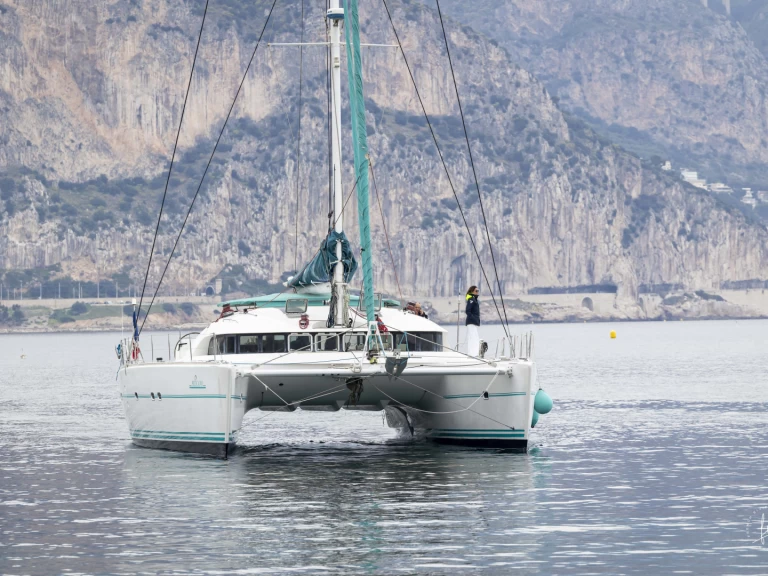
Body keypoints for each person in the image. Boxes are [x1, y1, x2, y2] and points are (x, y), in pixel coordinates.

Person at [465, 285, 480, 356]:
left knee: (475, 337)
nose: (477, 292)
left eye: (478, 291)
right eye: (476, 291)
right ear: (472, 292)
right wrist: (473, 318)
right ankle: (472, 354)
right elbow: (468, 311)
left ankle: (475, 353)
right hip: (471, 322)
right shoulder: (471, 299)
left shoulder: (474, 299)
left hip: (474, 322)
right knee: (472, 338)